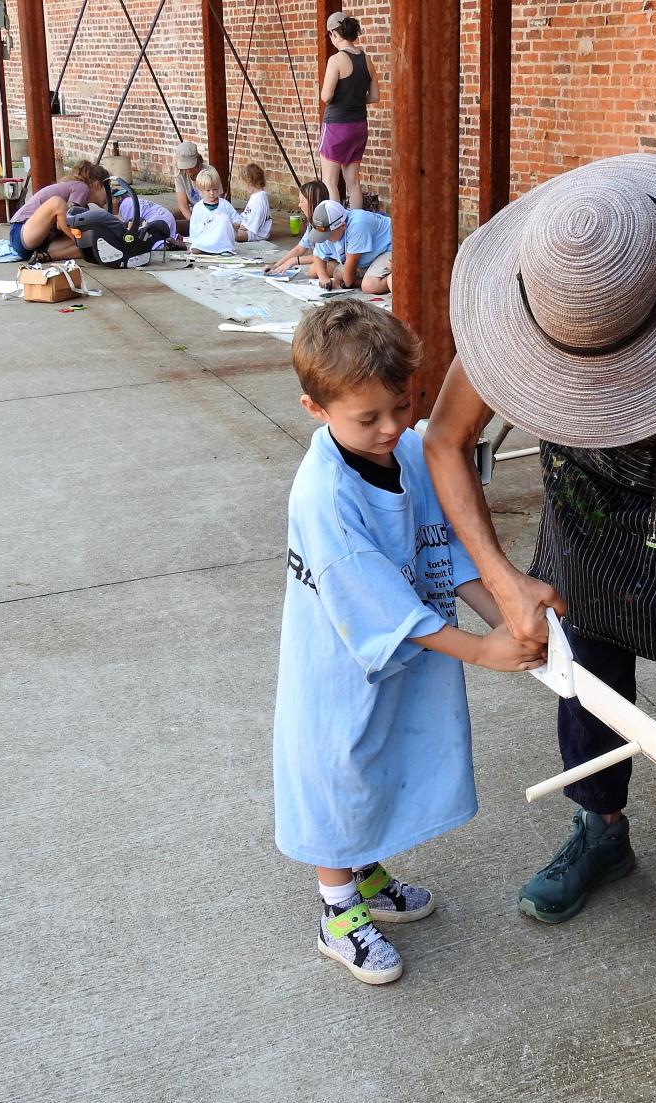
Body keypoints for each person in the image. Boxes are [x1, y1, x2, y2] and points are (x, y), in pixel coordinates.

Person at [423, 153, 656, 944]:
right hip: (592, 499)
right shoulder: (533, 299)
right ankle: (600, 828)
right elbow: (445, 442)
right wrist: (505, 580)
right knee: (581, 630)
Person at [274, 299, 544, 985]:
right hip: (342, 666)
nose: (392, 427)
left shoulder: (411, 451)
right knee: (340, 772)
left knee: (383, 762)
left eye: (401, 406)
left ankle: (365, 876)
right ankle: (337, 912)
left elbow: (443, 547)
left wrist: (503, 611)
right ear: (316, 408)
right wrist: (484, 652)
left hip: (405, 651)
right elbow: (381, 608)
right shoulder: (323, 496)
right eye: (369, 418)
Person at [319, 12, 377, 208]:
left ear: (335, 34)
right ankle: (356, 229)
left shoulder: (335, 60)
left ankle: (336, 230)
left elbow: (326, 96)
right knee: (353, 183)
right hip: (359, 125)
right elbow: (374, 96)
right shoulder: (366, 60)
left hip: (337, 125)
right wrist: (355, 99)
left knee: (330, 182)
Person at [7, 160, 112, 262]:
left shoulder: (83, 204)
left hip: (38, 245)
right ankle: (79, 243)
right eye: (108, 189)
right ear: (97, 184)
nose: (110, 195)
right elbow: (64, 221)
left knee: (92, 245)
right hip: (21, 231)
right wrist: (81, 240)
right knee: (57, 203)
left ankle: (47, 256)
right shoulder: (81, 188)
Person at [306, 199, 393, 295]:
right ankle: (367, 277)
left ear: (343, 226)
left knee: (369, 286)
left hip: (390, 248)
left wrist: (343, 284)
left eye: (328, 235)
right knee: (337, 274)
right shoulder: (330, 228)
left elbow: (349, 276)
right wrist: (324, 278)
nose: (325, 239)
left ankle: (391, 277)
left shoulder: (358, 225)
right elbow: (318, 255)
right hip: (371, 254)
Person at [265, 179, 330, 275]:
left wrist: (295, 261)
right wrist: (276, 266)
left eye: (302, 201)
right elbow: (300, 248)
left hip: (339, 260)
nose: (299, 205)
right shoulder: (312, 224)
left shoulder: (327, 222)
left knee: (314, 270)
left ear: (312, 202)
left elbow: (325, 256)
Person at [112, 184, 184, 250]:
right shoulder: (130, 200)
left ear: (115, 200)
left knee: (144, 242)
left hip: (160, 222)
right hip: (166, 218)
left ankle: (165, 244)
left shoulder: (125, 206)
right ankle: (174, 238)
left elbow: (132, 228)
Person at [188, 166, 240, 254]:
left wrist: (235, 224)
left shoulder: (225, 205)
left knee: (224, 218)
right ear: (200, 190)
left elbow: (236, 219)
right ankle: (202, 247)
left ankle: (224, 248)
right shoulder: (198, 207)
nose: (212, 193)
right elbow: (194, 228)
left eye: (215, 189)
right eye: (208, 190)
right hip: (205, 237)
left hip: (222, 240)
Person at [235, 162, 271, 243]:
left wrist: (236, 227)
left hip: (256, 233)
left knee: (230, 234)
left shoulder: (259, 199)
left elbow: (252, 225)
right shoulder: (256, 196)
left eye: (244, 183)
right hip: (247, 228)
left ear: (249, 181)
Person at [172, 140, 205, 223]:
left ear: (198, 161)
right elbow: (182, 203)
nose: (187, 170)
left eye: (190, 167)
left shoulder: (209, 173)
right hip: (191, 211)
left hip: (207, 212)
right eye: (184, 167)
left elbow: (217, 201)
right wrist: (191, 221)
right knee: (168, 217)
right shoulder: (180, 175)